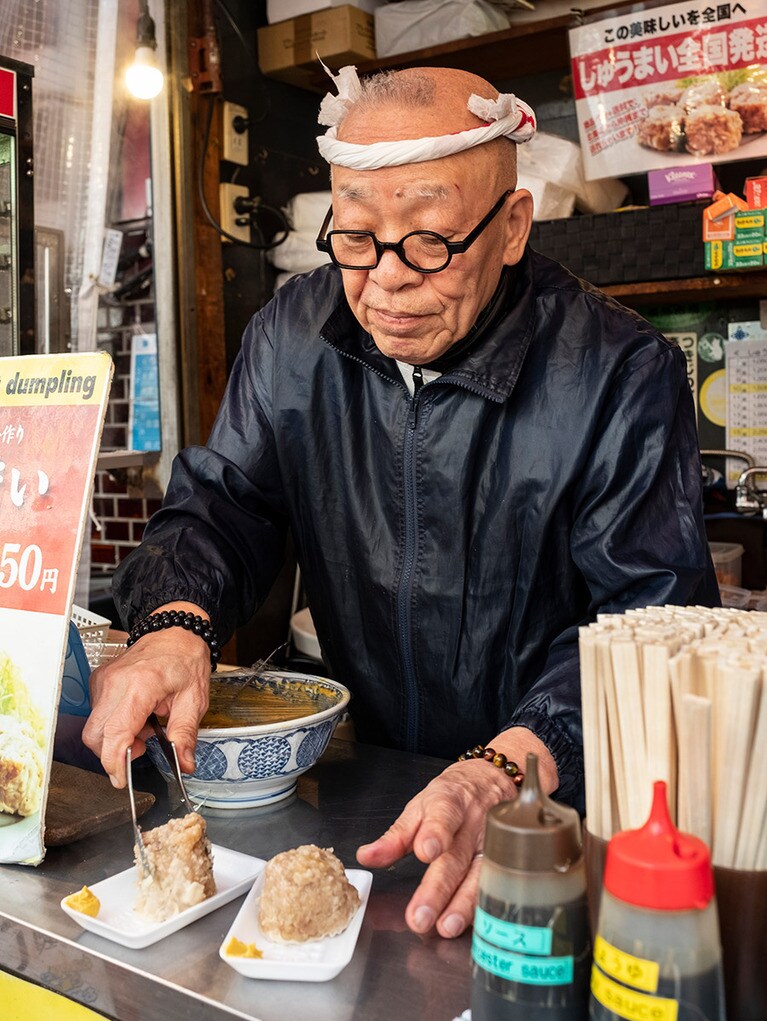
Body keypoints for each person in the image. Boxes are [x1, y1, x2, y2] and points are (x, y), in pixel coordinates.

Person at [83, 65, 718, 941]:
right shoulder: (291, 336)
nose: (384, 280)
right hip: (373, 779)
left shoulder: (618, 369)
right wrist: (175, 622)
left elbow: (651, 620)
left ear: (511, 226)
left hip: (554, 798)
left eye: (428, 240)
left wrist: (510, 766)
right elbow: (223, 506)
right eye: (354, 235)